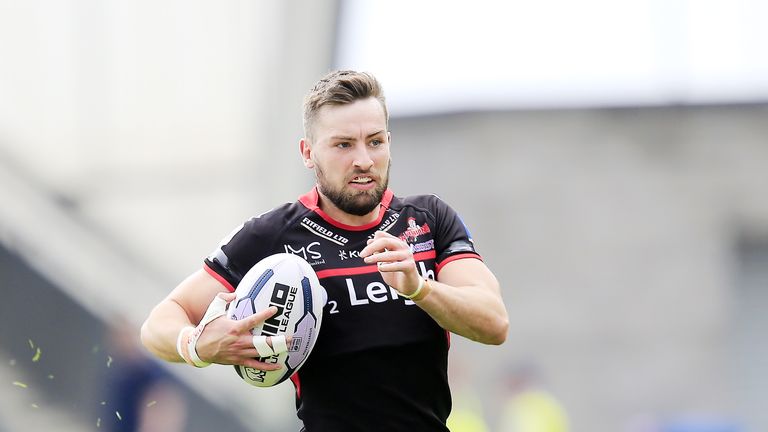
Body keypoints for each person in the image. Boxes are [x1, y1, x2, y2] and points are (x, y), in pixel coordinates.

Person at [140, 70, 509, 431]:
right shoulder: (272, 235)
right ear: (308, 153)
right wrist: (197, 346)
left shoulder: (429, 220)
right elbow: (161, 322)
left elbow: (494, 324)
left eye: (375, 141)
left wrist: (420, 288)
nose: (363, 160)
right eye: (343, 144)